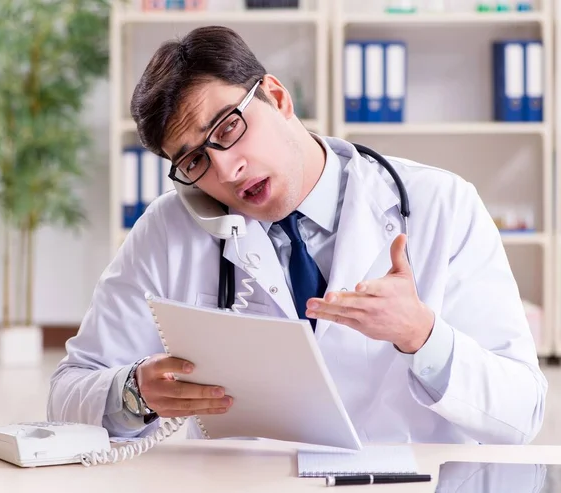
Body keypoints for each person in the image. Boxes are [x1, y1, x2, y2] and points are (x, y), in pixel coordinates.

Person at [47, 25, 547, 445]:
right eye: (196, 160)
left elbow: (522, 412)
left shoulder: (442, 205)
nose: (227, 168)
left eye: (227, 128)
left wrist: (421, 336)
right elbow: (68, 393)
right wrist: (134, 393)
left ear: (278, 97)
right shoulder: (166, 229)